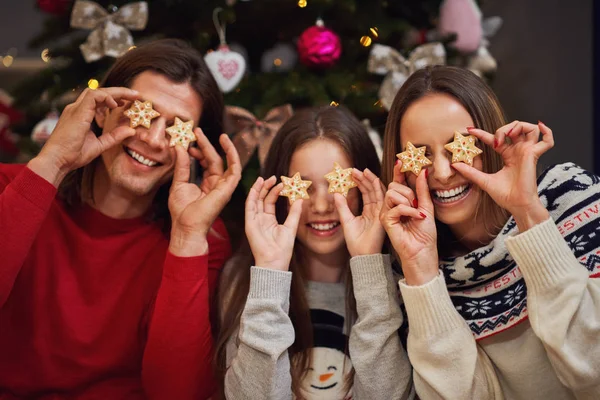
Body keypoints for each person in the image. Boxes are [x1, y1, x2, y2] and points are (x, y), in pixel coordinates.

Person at [0, 39, 241, 400]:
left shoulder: (201, 237)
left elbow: (177, 392)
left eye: (176, 128)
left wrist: (188, 237)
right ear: (101, 112)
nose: (155, 139)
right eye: (142, 111)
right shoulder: (12, 186)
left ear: (192, 147)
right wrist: (52, 164)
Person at [379, 65, 600, 399]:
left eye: (459, 145)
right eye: (421, 155)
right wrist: (422, 270)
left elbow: (592, 371)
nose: (441, 172)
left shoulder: (572, 197)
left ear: (490, 140)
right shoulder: (409, 274)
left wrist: (527, 214)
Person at [214, 106, 414, 399]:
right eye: (304, 187)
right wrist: (270, 271)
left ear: (366, 190)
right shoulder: (243, 281)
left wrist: (370, 266)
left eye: (338, 184)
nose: (321, 206)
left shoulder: (400, 283)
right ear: (280, 193)